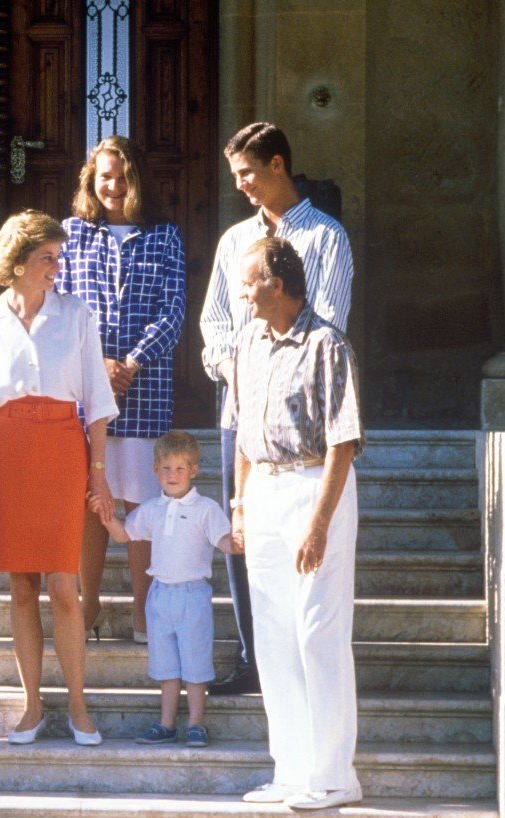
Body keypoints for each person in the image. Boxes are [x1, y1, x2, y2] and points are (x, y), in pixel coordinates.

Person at [0, 209, 118, 747]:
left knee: (64, 585)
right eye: (47, 258)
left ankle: (78, 705)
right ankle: (31, 706)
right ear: (17, 262)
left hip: (65, 450)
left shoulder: (77, 315)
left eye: (58, 256)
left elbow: (97, 405)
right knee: (21, 584)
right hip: (11, 451)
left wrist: (99, 476)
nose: (57, 267)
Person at [199, 121, 354, 696]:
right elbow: (214, 320)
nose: (240, 185)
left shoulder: (327, 237)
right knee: (245, 528)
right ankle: (253, 656)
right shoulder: (232, 241)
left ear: (278, 165)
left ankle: (300, 656)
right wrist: (230, 366)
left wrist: (285, 366)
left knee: (300, 535)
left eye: (247, 173)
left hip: (303, 407)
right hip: (241, 402)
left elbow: (332, 319)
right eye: (234, 175)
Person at [227, 237, 364, 811]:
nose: (243, 292)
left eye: (249, 281)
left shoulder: (326, 343)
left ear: (277, 284)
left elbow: (344, 440)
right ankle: (290, 770)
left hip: (314, 488)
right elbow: (237, 431)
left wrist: (319, 523)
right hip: (262, 491)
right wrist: (239, 503)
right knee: (275, 637)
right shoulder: (246, 345)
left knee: (317, 632)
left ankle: (334, 776)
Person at [58, 135, 186, 645]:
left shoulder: (165, 236)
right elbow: (62, 307)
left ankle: (141, 610)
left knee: (140, 503)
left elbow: (173, 312)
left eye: (122, 175)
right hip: (87, 391)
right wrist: (98, 364)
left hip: (145, 388)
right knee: (93, 500)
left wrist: (130, 363)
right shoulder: (72, 235)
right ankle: (87, 610)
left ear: (137, 180)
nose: (113, 185)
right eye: (104, 176)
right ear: (92, 179)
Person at [94, 430, 235, 748]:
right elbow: (124, 535)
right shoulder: (150, 509)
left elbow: (223, 540)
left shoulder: (205, 509)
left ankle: (196, 723)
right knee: (167, 666)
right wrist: (106, 516)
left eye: (180, 469)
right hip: (159, 597)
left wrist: (239, 540)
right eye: (166, 469)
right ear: (156, 470)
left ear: (194, 470)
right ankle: (167, 723)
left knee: (196, 664)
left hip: (192, 596)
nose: (173, 475)